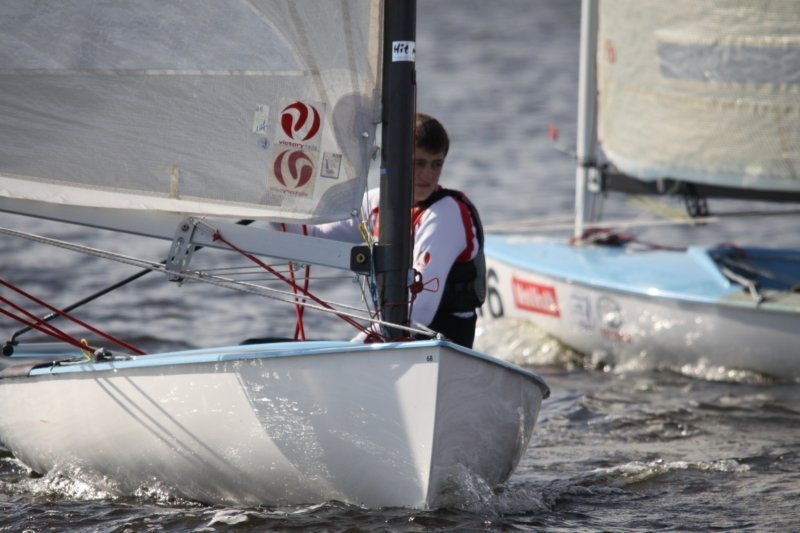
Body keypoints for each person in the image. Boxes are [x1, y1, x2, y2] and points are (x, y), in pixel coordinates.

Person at [285, 113, 485, 348]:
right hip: (398, 340)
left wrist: (352, 347)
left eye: (436, 164)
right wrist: (268, 206)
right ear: (398, 160)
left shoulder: (445, 214)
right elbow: (312, 236)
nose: (428, 175)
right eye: (419, 163)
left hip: (442, 345)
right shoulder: (379, 202)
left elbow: (421, 311)